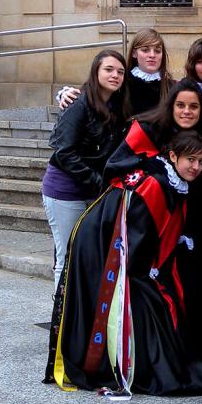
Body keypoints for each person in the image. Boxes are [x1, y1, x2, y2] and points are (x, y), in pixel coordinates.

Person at [45, 130, 202, 398]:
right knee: (143, 303)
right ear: (172, 156)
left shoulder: (168, 181)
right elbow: (132, 237)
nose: (196, 167)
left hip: (129, 253)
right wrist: (149, 270)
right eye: (190, 160)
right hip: (102, 248)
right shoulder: (155, 185)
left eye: (201, 161)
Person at [106, 79, 202, 375]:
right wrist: (154, 167)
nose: (186, 111)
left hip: (194, 234)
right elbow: (114, 168)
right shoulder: (147, 130)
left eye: (194, 106)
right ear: (170, 106)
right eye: (180, 105)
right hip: (151, 236)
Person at [41, 49, 126, 291]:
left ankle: (80, 317)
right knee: (67, 255)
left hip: (94, 190)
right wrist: (98, 181)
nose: (115, 75)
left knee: (88, 255)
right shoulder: (77, 103)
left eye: (120, 71)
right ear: (96, 71)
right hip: (65, 190)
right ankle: (61, 321)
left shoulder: (117, 107)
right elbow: (64, 151)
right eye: (108, 69)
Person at [56, 28, 172, 118]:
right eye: (145, 50)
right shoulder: (121, 80)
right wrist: (67, 94)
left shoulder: (171, 87)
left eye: (157, 51)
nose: (152, 55)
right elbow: (93, 93)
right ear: (134, 53)